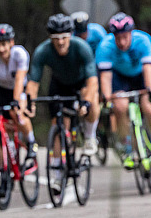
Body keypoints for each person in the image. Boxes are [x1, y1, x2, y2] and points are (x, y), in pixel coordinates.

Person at [96, 12, 151, 169]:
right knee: (119, 107)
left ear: (131, 33)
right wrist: (107, 98)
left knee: (149, 105)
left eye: (125, 37)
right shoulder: (105, 46)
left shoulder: (143, 40)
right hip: (120, 77)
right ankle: (127, 149)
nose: (121, 42)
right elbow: (105, 77)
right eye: (117, 37)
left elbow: (149, 69)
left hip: (140, 74)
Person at [26, 13, 100, 157]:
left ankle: (90, 137)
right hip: (59, 84)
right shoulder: (43, 51)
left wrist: (86, 103)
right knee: (58, 125)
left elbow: (92, 80)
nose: (60, 42)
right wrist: (30, 103)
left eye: (64, 37)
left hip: (81, 83)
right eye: (56, 38)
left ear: (71, 35)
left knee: (92, 102)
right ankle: (58, 168)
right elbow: (33, 82)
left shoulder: (81, 47)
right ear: (50, 38)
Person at [0, 23, 37, 158]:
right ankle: (4, 161)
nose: (1, 49)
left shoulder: (19, 54)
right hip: (3, 89)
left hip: (20, 88)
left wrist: (16, 102)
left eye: (4, 44)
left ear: (11, 42)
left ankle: (31, 142)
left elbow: (20, 79)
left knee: (18, 114)